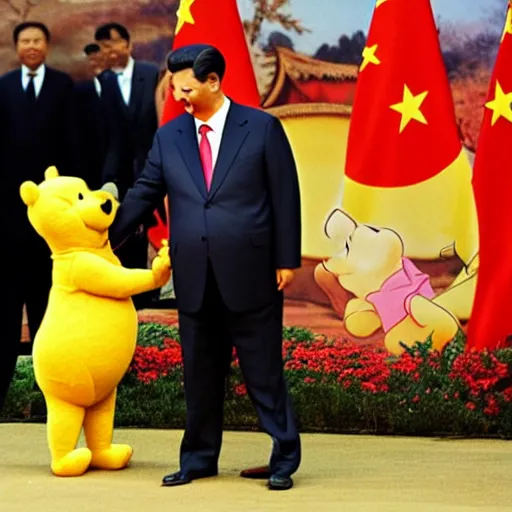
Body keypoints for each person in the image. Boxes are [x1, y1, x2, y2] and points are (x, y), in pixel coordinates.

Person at [109, 43, 302, 490]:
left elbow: (285, 196)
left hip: (253, 270)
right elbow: (144, 191)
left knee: (263, 372)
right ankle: (197, 459)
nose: (179, 97)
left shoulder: (261, 128)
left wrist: (286, 259)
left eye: (187, 88)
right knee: (199, 373)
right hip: (194, 274)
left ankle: (283, 458)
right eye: (176, 88)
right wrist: (105, 237)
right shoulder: (170, 136)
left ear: (213, 81)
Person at [0, 21, 79, 412]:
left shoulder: (65, 88)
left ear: (47, 45)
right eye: (25, 41)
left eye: (37, 41)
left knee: (50, 317)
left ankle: (52, 405)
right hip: (10, 227)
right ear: (17, 48)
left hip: (53, 227)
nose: (31, 47)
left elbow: (75, 146)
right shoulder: (4, 86)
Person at [94, 22, 161, 309]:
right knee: (122, 236)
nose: (110, 50)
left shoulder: (151, 74)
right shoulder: (102, 82)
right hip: (116, 176)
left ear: (128, 45)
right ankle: (126, 299)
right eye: (103, 45)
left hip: (153, 167)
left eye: (114, 43)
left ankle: (152, 295)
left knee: (153, 235)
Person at [74, 43, 108, 190]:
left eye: (99, 59)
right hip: (91, 163)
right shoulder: (79, 92)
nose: (96, 64)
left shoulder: (124, 86)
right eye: (92, 60)